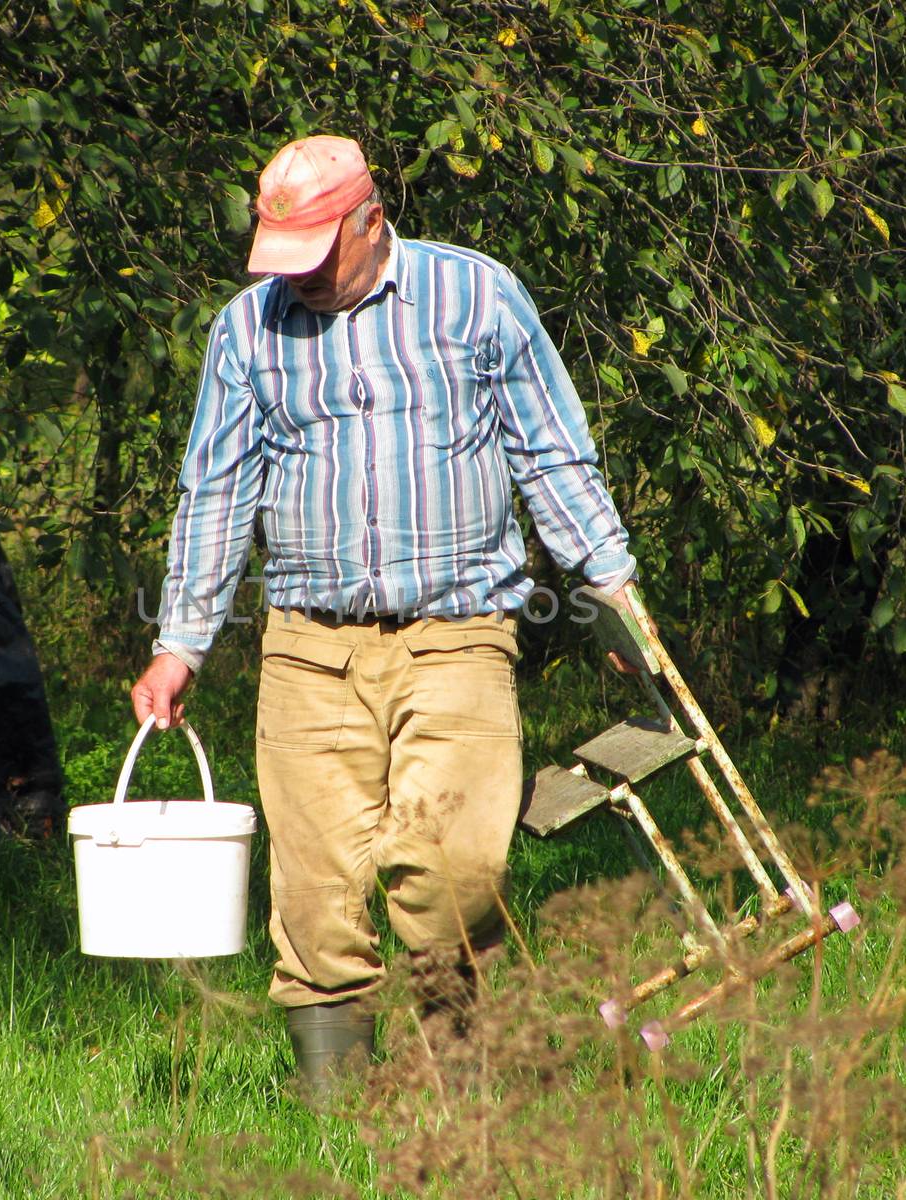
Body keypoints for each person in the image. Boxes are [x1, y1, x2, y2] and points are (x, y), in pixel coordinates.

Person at [130, 134, 639, 1092]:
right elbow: (215, 494)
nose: (302, 282)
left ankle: (471, 1096)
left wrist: (610, 591)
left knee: (450, 876)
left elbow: (552, 454)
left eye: (318, 256)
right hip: (308, 654)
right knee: (316, 902)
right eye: (285, 261)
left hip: (458, 636)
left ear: (371, 222)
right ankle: (344, 1133)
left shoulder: (476, 297)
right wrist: (180, 645)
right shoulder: (248, 331)